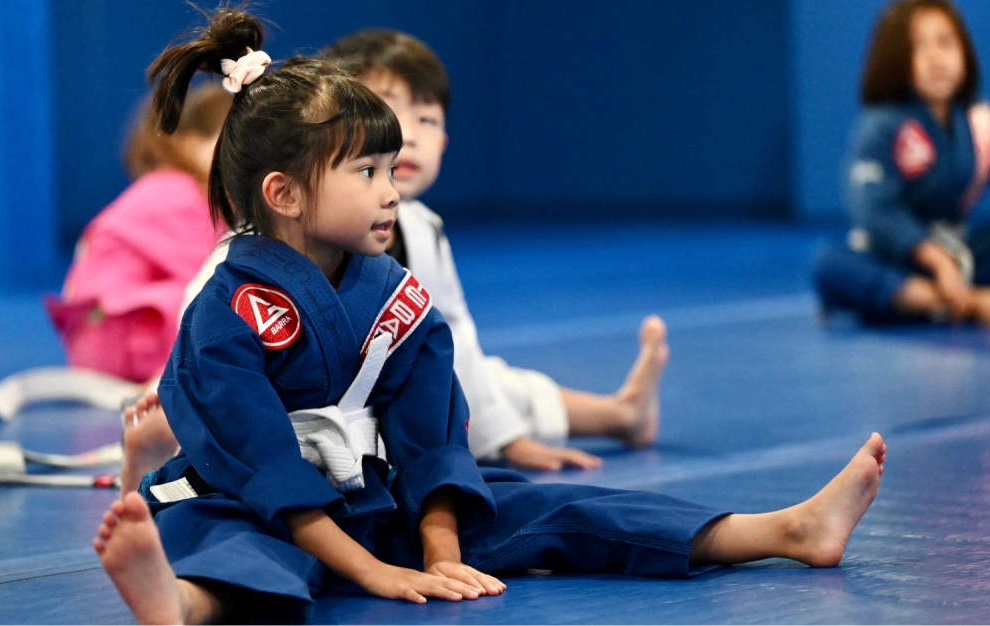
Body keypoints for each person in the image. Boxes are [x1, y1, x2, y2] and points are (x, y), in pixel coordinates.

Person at [94, 10, 887, 624]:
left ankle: (780, 531)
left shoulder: (395, 294)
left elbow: (433, 437)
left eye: (389, 166)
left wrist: (438, 544)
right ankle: (180, 607)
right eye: (365, 170)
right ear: (285, 194)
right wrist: (375, 572)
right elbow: (265, 468)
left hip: (368, 498)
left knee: (546, 504)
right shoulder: (224, 314)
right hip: (258, 503)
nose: (390, 188)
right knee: (236, 549)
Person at [121, 29, 667, 479]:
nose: (405, 135)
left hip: (380, 404)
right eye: (385, 116)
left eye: (426, 121)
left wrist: (507, 440)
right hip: (291, 419)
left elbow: (455, 343)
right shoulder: (262, 245)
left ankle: (622, 415)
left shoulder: (422, 229)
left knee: (492, 383)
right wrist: (169, 402)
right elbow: (204, 330)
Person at [813, 0, 990, 325]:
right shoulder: (882, 124)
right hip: (897, 257)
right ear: (895, 60)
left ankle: (944, 298)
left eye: (946, 42)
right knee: (831, 266)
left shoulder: (968, 122)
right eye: (918, 47)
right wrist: (934, 259)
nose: (936, 58)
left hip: (957, 250)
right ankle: (958, 302)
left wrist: (949, 258)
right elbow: (873, 209)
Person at [45, 84, 231, 383]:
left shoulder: (172, 187)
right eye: (236, 142)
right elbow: (214, 274)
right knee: (226, 303)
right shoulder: (179, 191)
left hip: (99, 336)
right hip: (116, 335)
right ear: (194, 143)